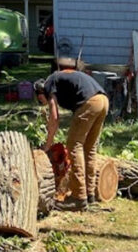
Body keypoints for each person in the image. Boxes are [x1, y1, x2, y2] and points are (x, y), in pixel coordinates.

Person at [34, 60, 109, 211]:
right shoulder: (60, 78)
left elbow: (54, 118)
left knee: (74, 147)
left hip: (89, 102)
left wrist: (48, 144)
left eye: (40, 99)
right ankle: (89, 194)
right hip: (103, 100)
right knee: (89, 149)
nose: (42, 103)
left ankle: (78, 198)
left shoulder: (50, 83)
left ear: (40, 91)